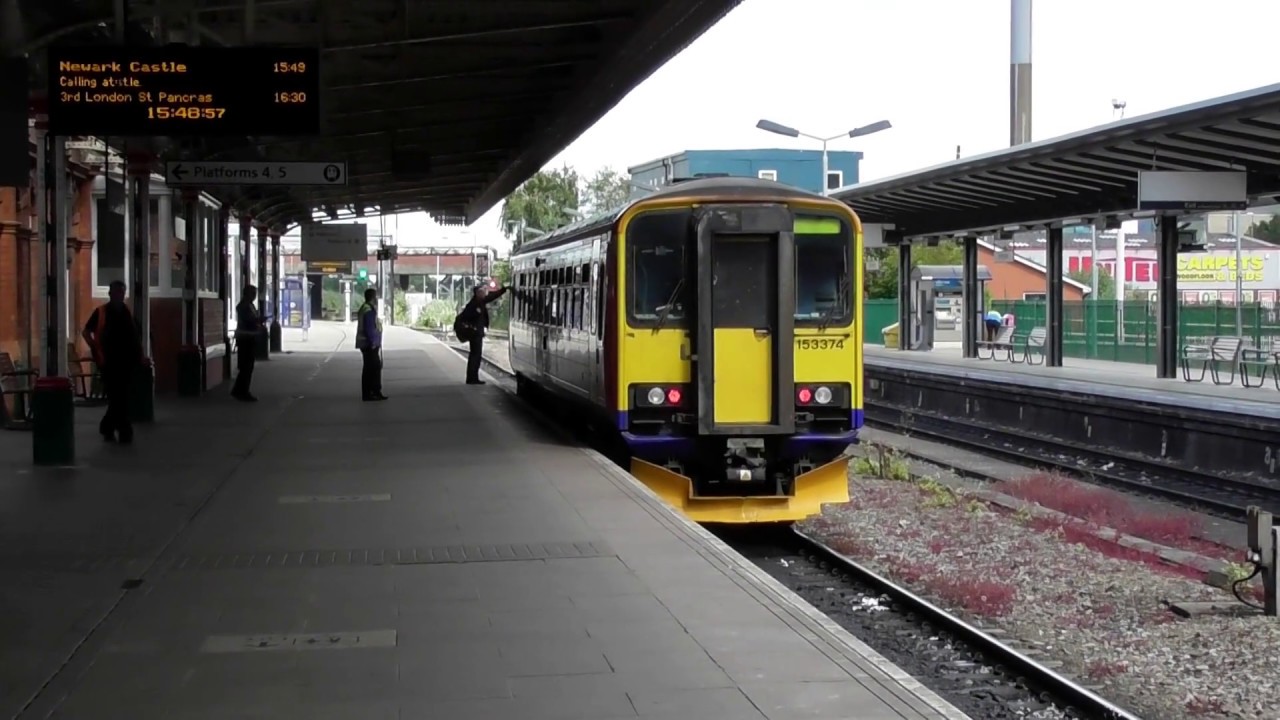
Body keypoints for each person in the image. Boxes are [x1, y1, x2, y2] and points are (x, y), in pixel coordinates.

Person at [81, 280, 143, 443]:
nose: (119, 296)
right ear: (110, 294)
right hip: (108, 362)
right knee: (117, 397)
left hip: (126, 362)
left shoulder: (127, 312)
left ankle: (108, 427)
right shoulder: (101, 312)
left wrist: (139, 357)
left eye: (122, 293)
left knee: (121, 397)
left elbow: (134, 337)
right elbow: (86, 331)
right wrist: (93, 346)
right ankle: (123, 431)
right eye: (117, 293)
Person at [458, 283, 510, 385]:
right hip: (475, 333)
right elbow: (465, 318)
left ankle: (473, 377)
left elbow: (491, 296)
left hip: (477, 333)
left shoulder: (480, 302)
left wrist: (503, 290)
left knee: (476, 355)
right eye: (482, 291)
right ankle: (472, 378)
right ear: (477, 293)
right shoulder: (473, 305)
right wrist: (473, 327)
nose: (484, 293)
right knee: (475, 355)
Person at [355, 288, 387, 401]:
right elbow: (369, 328)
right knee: (372, 368)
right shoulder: (368, 309)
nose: (377, 299)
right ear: (373, 297)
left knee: (371, 368)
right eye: (376, 297)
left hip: (366, 343)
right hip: (368, 344)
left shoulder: (366, 307)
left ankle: (372, 392)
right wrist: (373, 342)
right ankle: (372, 393)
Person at [232, 285, 261, 402]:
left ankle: (239, 390)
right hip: (245, 338)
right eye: (252, 294)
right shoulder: (244, 306)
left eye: (255, 294)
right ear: (246, 294)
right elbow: (250, 320)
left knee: (247, 367)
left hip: (249, 337)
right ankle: (242, 392)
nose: (254, 296)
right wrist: (258, 321)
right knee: (246, 367)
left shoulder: (250, 305)